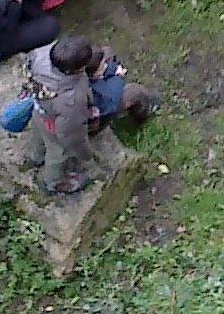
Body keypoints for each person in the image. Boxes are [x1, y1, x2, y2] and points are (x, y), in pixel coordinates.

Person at [22, 33, 157, 196]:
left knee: (39, 135)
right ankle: (53, 183)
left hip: (40, 111)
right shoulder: (71, 100)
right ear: (78, 69)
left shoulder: (40, 55)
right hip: (57, 128)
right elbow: (72, 135)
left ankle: (35, 158)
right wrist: (85, 153)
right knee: (57, 154)